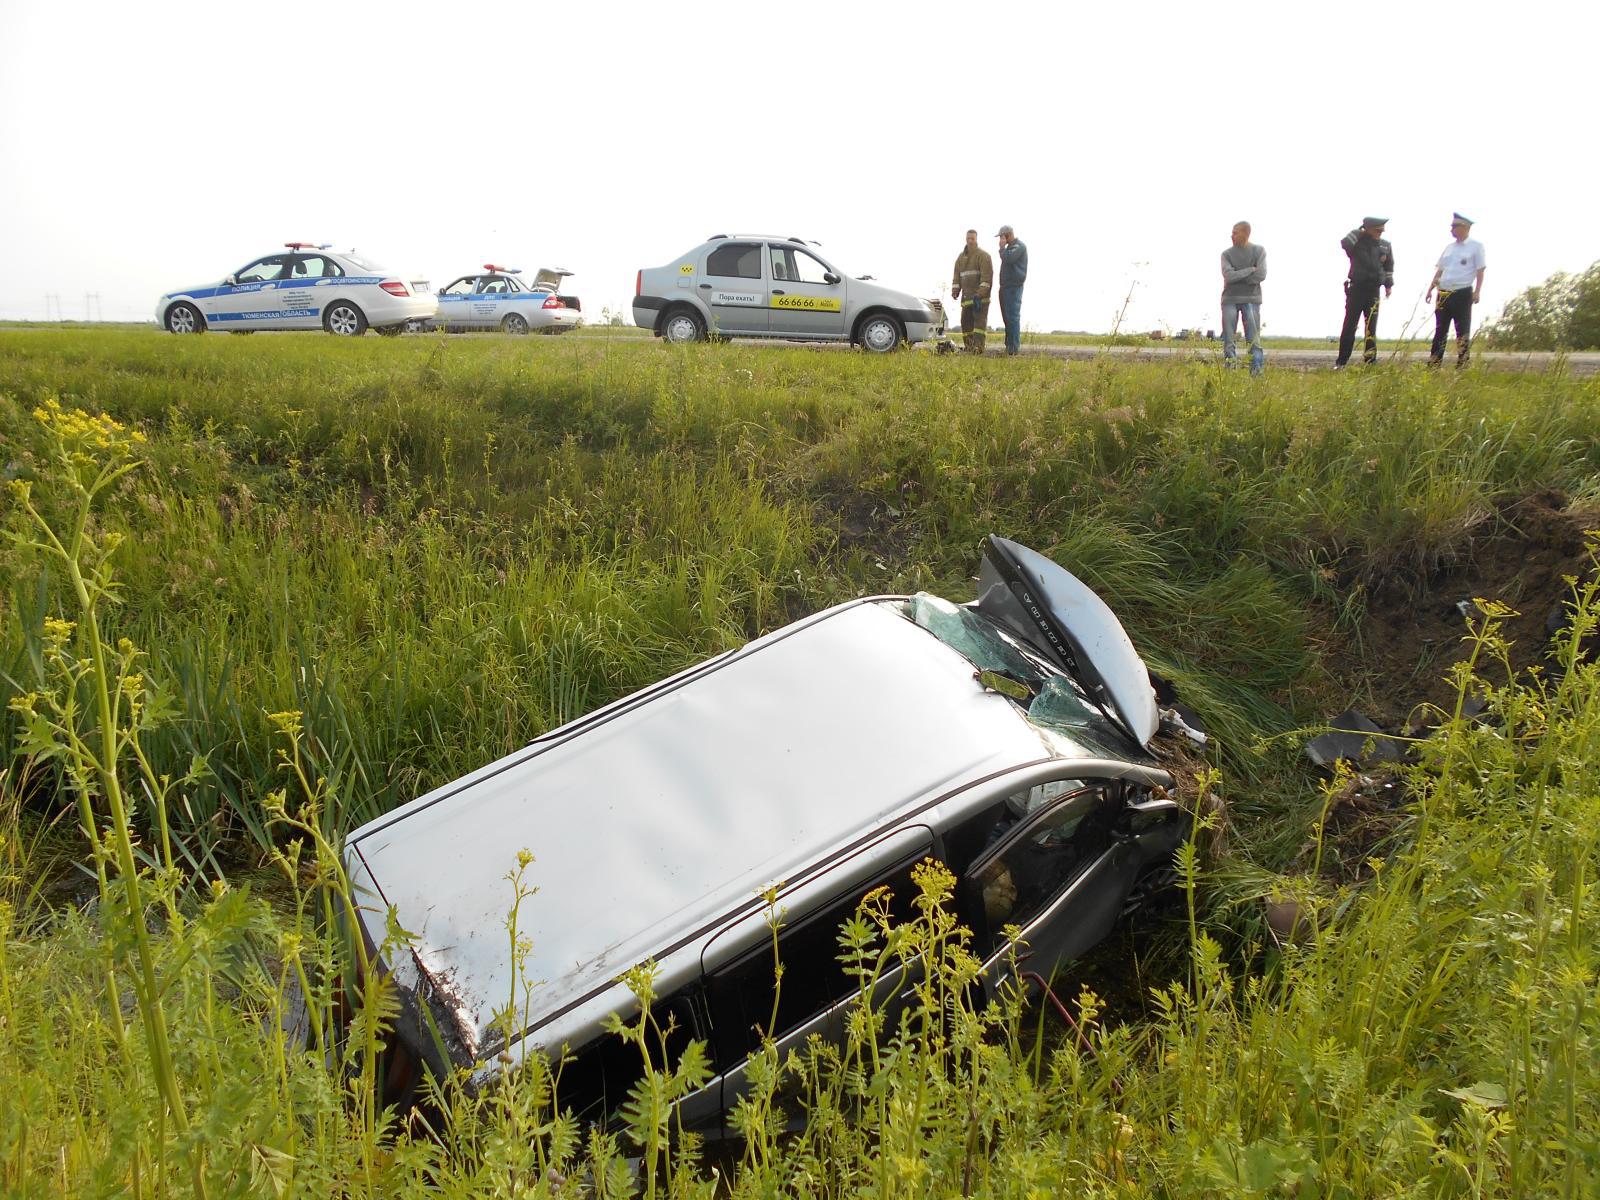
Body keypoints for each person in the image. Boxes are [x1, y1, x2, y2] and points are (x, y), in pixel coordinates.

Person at [1425, 213, 1486, 367]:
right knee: (1440, 330)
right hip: (1444, 292)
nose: (1452, 229)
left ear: (1465, 227)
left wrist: (1477, 291)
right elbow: (1440, 269)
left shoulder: (1476, 247)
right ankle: (1434, 362)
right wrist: (1431, 288)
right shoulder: (1449, 248)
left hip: (1462, 292)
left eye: (1455, 226)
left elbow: (1480, 270)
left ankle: (1463, 363)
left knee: (1462, 329)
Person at [1335, 217, 1395, 368]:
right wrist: (1359, 231)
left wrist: (1388, 286)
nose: (1380, 233)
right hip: (1356, 288)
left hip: (1374, 290)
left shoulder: (1385, 246)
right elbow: (1344, 243)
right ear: (1368, 228)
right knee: (1349, 326)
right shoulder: (1357, 242)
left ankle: (1370, 362)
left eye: (1382, 230)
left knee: (1371, 328)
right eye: (1377, 230)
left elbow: (1389, 267)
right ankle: (1341, 363)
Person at [1220, 221, 1267, 375]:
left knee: (1254, 340)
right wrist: (1249, 270)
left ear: (1246, 233)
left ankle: (1256, 373)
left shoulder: (1258, 251)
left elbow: (1261, 275)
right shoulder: (1226, 254)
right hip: (1229, 300)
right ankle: (1230, 373)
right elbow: (1228, 275)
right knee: (1229, 340)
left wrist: (1238, 276)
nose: (1231, 235)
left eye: (1235, 232)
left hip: (1251, 299)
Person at [950, 228, 994, 354]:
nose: (970, 241)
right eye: (968, 238)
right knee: (965, 324)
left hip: (980, 299)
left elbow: (987, 279)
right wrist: (955, 290)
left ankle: (978, 349)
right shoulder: (960, 258)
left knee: (979, 326)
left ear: (976, 239)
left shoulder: (984, 256)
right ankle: (969, 347)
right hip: (966, 299)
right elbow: (957, 276)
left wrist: (980, 294)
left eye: (972, 239)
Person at [996, 225, 1028, 355]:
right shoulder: (1010, 248)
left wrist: (1002, 248)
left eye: (1002, 237)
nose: (1000, 240)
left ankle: (1013, 349)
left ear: (1007, 235)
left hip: (1013, 288)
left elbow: (1009, 259)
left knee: (1013, 317)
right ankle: (1009, 346)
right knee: (1007, 318)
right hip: (1005, 287)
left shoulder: (1018, 246)